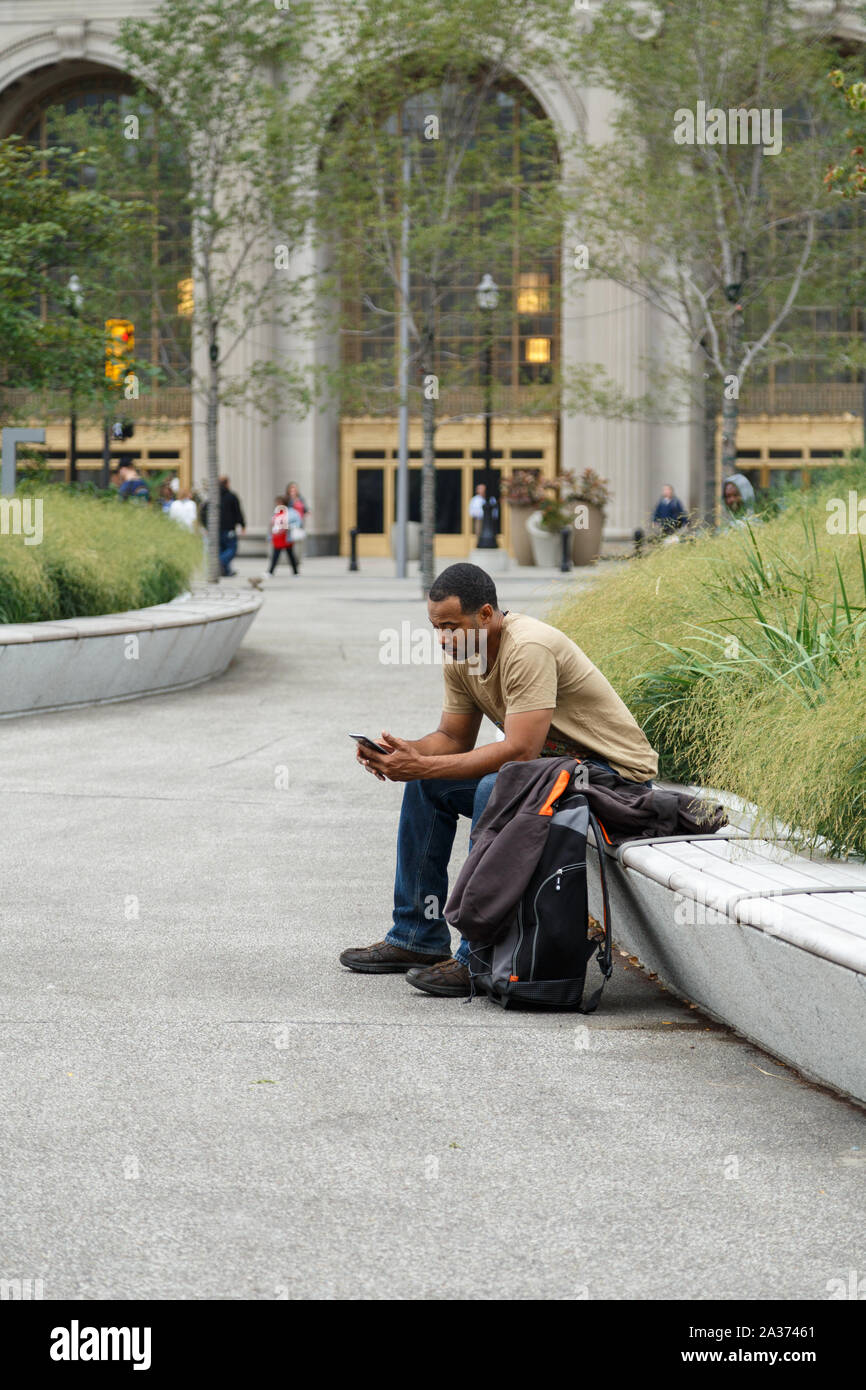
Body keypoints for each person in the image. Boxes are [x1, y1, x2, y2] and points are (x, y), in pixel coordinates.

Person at [340, 562, 658, 998]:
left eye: (451, 626)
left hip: (613, 779)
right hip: (554, 775)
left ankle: (477, 957)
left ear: (486, 614)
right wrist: (405, 756)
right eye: (436, 628)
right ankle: (416, 938)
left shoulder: (529, 647)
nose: (444, 639)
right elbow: (453, 738)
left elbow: (520, 752)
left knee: (495, 790)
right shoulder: (463, 657)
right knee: (426, 786)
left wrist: (424, 765)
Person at [202, 475, 246, 576]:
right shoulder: (231, 496)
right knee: (232, 549)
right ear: (226, 483)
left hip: (216, 529)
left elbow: (203, 512)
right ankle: (220, 563)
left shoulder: (213, 497)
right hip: (228, 529)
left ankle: (225, 571)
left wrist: (206, 526)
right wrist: (242, 525)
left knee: (221, 549)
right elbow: (238, 512)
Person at [267, 495, 299, 575]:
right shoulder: (276, 513)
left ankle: (295, 571)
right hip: (277, 538)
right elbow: (272, 525)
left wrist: (281, 531)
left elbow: (288, 524)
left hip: (285, 538)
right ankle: (271, 571)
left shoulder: (288, 513)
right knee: (276, 556)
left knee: (290, 555)